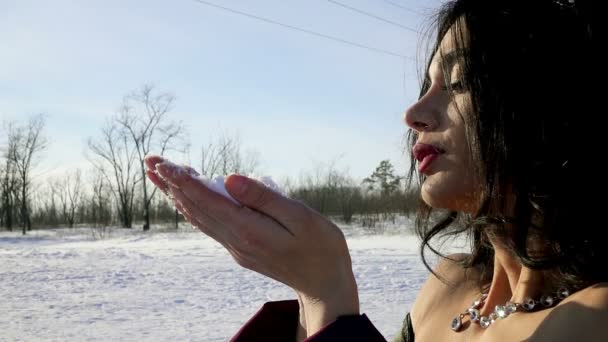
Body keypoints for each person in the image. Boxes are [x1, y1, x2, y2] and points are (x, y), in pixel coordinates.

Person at [145, 0, 604, 340]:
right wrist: (310, 293)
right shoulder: (448, 286)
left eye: (461, 82)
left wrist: (329, 289)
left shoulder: (593, 317)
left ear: (549, 107)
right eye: (427, 85)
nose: (414, 113)